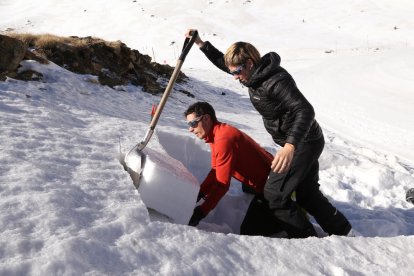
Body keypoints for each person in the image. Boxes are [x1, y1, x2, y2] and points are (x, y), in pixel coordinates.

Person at [185, 29, 352, 237]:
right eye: (233, 72)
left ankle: (308, 240)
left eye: (237, 72)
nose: (235, 77)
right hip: (297, 140)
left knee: (274, 193)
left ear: (250, 63)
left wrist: (290, 146)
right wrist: (201, 44)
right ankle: (345, 232)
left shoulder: (276, 80)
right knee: (307, 194)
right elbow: (223, 62)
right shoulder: (250, 77)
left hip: (304, 140)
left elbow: (305, 110)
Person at [185, 101, 316, 238]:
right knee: (247, 188)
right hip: (268, 176)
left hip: (272, 185)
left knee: (249, 231)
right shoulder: (216, 134)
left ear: (206, 118)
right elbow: (216, 170)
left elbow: (222, 185)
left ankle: (292, 212)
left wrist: (201, 212)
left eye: (192, 124)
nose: (190, 129)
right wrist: (199, 193)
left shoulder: (223, 140)